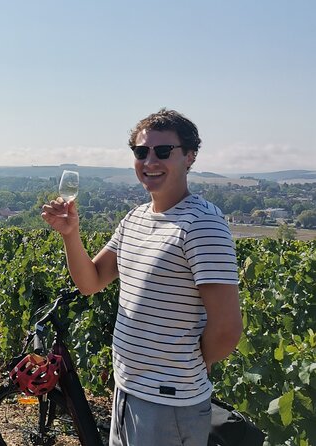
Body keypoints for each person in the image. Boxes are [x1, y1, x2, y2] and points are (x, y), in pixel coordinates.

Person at [42, 109, 243, 446]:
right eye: (141, 151)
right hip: (127, 390)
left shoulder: (202, 225)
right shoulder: (134, 219)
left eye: (164, 151)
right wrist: (70, 234)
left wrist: (187, 365)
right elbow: (90, 283)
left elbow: (226, 329)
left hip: (170, 404)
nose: (151, 160)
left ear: (190, 157)